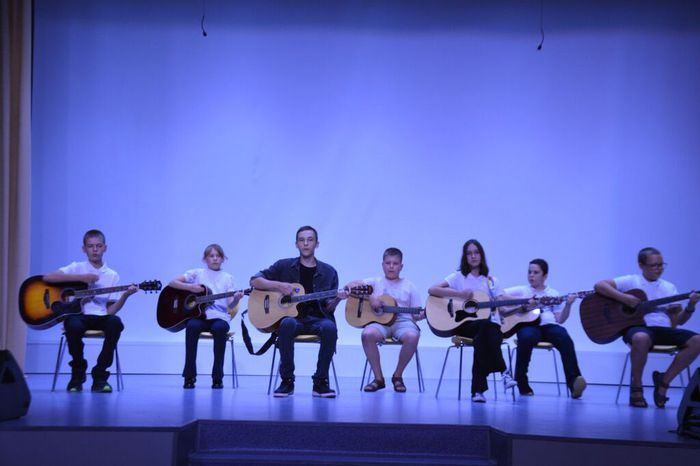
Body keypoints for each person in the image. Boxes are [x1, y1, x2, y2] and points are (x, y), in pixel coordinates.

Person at [594, 247, 699, 408]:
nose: (659, 268)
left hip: (663, 330)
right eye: (654, 265)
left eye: (661, 265)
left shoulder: (669, 287)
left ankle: (663, 382)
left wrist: (691, 305)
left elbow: (679, 322)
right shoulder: (631, 281)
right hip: (637, 327)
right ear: (641, 265)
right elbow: (599, 285)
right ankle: (637, 385)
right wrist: (624, 298)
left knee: (697, 340)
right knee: (641, 338)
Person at [250, 225, 347, 398]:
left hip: (317, 318)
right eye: (302, 240)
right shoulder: (283, 266)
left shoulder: (329, 272)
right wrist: (279, 285)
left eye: (310, 240)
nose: (306, 244)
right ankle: (287, 381)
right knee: (286, 324)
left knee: (330, 328)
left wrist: (338, 298)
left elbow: (328, 307)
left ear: (317, 244)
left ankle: (320, 382)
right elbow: (255, 281)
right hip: (292, 320)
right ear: (296, 244)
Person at [43, 229, 138, 393]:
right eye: (90, 246)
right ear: (84, 249)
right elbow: (48, 278)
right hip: (78, 317)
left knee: (115, 323)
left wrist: (125, 296)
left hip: (100, 317)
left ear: (105, 248)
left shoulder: (112, 275)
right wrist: (80, 278)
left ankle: (100, 375)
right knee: (72, 325)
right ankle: (78, 373)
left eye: (98, 246)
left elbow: (110, 311)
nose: (94, 250)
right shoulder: (77, 267)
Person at [428, 239, 516, 403]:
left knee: (483, 335)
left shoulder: (491, 281)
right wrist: (460, 295)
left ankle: (478, 392)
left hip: (487, 327)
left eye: (476, 252)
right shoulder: (458, 277)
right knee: (486, 330)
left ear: (481, 255)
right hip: (464, 325)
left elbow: (503, 307)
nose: (473, 256)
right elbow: (432, 289)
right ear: (465, 257)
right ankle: (504, 372)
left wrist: (524, 303)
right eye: (469, 253)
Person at [504, 259, 586, 398]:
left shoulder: (553, 293)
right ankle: (522, 382)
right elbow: (500, 295)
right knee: (526, 337)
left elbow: (560, 319)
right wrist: (523, 303)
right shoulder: (522, 290)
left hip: (549, 326)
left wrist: (568, 305)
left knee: (564, 338)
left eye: (536, 272)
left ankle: (574, 383)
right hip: (528, 325)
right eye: (529, 272)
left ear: (545, 275)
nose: (531, 275)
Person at [168, 244, 244, 389]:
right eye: (211, 256)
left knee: (220, 329)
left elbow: (231, 305)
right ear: (205, 259)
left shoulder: (228, 278)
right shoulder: (197, 273)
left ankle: (217, 378)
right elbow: (172, 282)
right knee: (191, 326)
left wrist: (237, 298)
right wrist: (190, 287)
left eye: (218, 256)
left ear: (223, 259)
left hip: (220, 317)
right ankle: (189, 377)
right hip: (199, 317)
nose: (215, 259)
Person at [349, 247, 424, 393]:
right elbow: (350, 287)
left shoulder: (409, 286)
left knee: (413, 336)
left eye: (395, 263)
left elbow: (416, 315)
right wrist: (371, 297)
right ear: (382, 265)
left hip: (403, 323)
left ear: (401, 266)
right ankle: (378, 379)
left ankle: (397, 376)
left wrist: (425, 314)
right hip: (379, 323)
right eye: (388, 263)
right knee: (367, 335)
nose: (391, 266)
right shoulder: (375, 282)